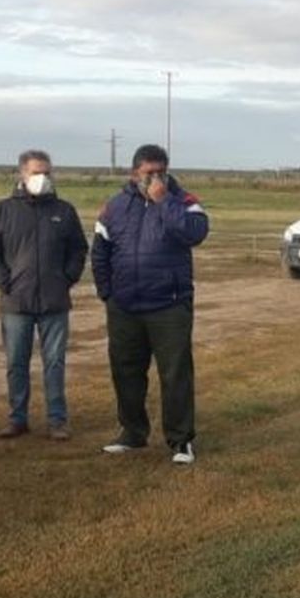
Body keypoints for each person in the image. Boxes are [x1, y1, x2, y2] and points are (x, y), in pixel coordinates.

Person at [91, 144, 208, 464]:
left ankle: (180, 440)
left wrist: (163, 201)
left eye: (161, 172)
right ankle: (132, 432)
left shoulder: (183, 201)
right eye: (149, 173)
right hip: (125, 306)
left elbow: (194, 233)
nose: (155, 178)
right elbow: (100, 251)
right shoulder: (115, 206)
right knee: (126, 371)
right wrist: (107, 293)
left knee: (175, 374)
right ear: (134, 174)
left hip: (169, 304)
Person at [0, 149, 89, 441]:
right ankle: (17, 418)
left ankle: (57, 421)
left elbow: (79, 248)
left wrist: (67, 277)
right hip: (16, 301)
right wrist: (5, 280)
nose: (42, 178)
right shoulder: (3, 210)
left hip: (54, 301)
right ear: (22, 174)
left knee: (54, 362)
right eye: (36, 172)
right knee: (16, 362)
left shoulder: (64, 211)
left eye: (47, 172)